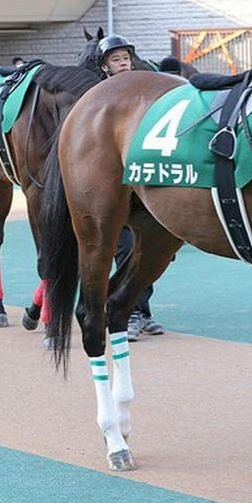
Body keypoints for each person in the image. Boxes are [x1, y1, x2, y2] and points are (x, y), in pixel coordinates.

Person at [97, 33, 166, 341]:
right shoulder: (100, 98)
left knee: (151, 248)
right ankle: (130, 312)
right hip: (115, 185)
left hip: (144, 178)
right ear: (105, 67)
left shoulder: (145, 88)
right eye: (116, 59)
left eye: (125, 57)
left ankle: (144, 309)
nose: (123, 62)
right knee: (125, 248)